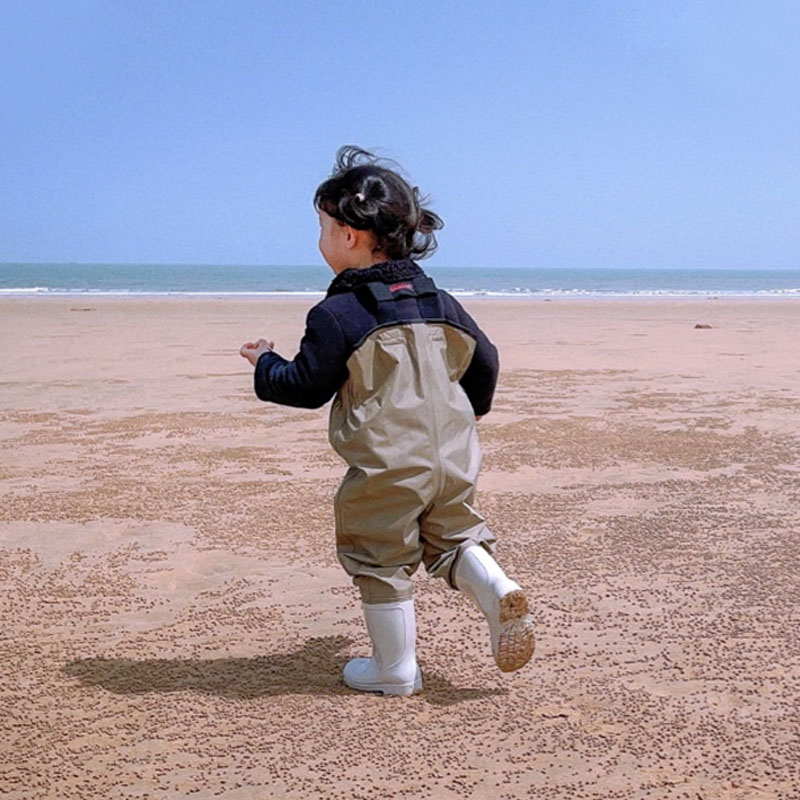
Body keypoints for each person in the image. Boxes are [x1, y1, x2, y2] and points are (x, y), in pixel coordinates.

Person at [239, 146, 534, 696]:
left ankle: (394, 669)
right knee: (452, 537)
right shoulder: (439, 301)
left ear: (349, 236)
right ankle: (496, 586)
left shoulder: (338, 314)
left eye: (324, 228)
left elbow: (304, 386)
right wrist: (469, 411)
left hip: (387, 462)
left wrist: (264, 363)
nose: (322, 241)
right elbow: (486, 360)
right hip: (453, 453)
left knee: (379, 553)